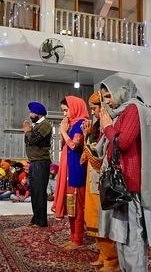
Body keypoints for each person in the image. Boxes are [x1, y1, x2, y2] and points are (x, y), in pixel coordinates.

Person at [96, 75, 151, 271]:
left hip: (130, 184)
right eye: (104, 97)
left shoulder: (133, 109)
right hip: (122, 183)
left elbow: (122, 143)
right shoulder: (121, 112)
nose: (106, 101)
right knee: (123, 239)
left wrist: (107, 127)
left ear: (121, 91)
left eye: (108, 96)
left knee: (133, 240)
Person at [80, 91, 119, 271]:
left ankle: (112, 260)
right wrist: (88, 136)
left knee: (101, 218)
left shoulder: (111, 125)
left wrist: (87, 139)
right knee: (94, 217)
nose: (93, 113)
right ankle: (103, 255)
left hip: (103, 178)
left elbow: (99, 155)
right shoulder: (99, 127)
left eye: (95, 108)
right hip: (93, 177)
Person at [52, 96, 89, 250]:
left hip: (77, 171)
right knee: (71, 207)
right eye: (63, 111)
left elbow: (74, 145)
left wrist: (63, 131)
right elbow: (64, 147)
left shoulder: (82, 123)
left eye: (66, 110)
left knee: (78, 207)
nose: (65, 114)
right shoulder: (72, 124)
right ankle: (73, 237)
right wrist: (63, 133)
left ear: (75, 107)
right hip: (69, 169)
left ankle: (78, 239)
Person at [23, 101, 52, 227]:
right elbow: (28, 141)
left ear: (38, 114)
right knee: (34, 191)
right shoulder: (36, 126)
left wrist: (28, 131)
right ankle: (36, 218)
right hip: (34, 162)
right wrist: (28, 131)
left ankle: (42, 221)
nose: (30, 114)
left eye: (32, 112)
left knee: (40, 192)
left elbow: (34, 140)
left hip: (41, 162)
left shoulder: (45, 125)